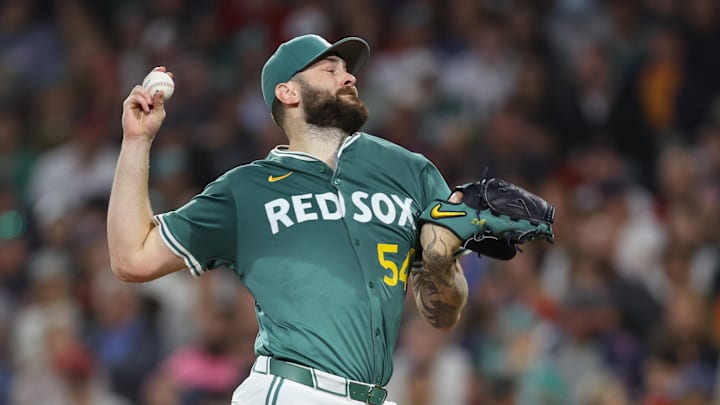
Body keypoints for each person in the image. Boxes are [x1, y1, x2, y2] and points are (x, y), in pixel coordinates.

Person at [108, 34, 472, 405]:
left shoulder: (410, 172)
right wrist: (136, 141)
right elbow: (132, 258)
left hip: (374, 396)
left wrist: (442, 264)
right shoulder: (246, 190)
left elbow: (443, 315)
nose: (349, 78)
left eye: (348, 71)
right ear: (288, 93)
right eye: (331, 70)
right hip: (293, 392)